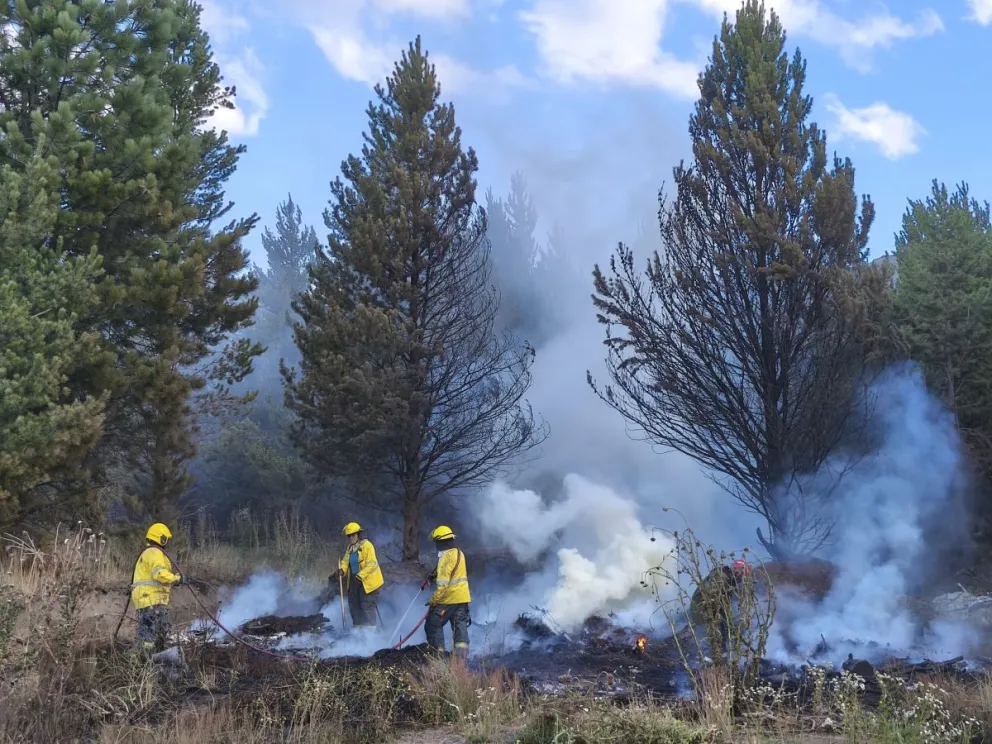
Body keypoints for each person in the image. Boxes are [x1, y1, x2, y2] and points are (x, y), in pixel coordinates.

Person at [131, 523, 183, 653]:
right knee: (150, 635)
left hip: (149, 599)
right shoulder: (154, 552)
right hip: (151, 599)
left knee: (153, 632)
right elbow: (159, 574)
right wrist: (177, 578)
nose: (167, 542)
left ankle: (148, 658)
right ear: (161, 538)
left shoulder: (149, 552)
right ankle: (144, 658)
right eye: (166, 539)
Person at [424, 525, 471, 658]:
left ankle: (438, 657)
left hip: (449, 599)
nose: (435, 545)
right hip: (462, 598)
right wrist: (435, 575)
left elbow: (443, 586)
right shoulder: (459, 553)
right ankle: (461, 660)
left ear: (440, 541)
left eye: (436, 542)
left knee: (433, 624)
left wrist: (433, 601)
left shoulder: (445, 558)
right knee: (459, 627)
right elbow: (453, 573)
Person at [688, 559, 751, 656]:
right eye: (741, 576)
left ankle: (722, 654)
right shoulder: (721, 578)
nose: (740, 580)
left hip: (708, 610)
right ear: (737, 571)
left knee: (724, 628)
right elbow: (709, 596)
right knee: (715, 633)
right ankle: (710, 658)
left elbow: (723, 604)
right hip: (701, 610)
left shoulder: (728, 580)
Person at [338, 522, 384, 628]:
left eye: (353, 535)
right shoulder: (350, 548)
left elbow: (372, 564)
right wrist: (342, 570)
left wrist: (360, 576)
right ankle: (358, 631)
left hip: (367, 581)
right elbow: (345, 561)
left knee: (366, 604)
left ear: (358, 534)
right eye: (349, 536)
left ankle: (370, 632)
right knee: (354, 604)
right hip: (355, 580)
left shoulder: (367, 546)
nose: (351, 538)